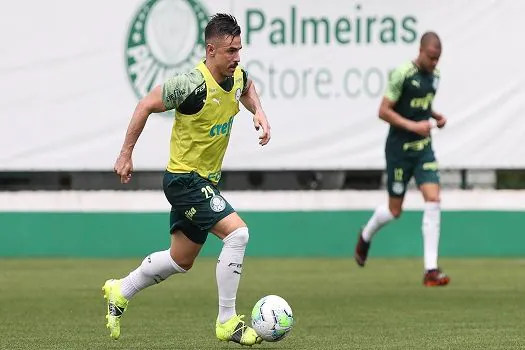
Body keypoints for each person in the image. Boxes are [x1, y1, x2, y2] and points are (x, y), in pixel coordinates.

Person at [103, 14, 270, 345]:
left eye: (239, 49)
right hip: (184, 180)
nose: (236, 57)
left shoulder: (236, 76)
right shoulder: (190, 84)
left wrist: (259, 112)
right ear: (210, 50)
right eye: (230, 51)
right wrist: (125, 154)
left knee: (181, 260)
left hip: (204, 182)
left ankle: (121, 289)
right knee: (238, 234)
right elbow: (146, 104)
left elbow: (247, 87)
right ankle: (227, 321)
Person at [354, 31, 450, 287]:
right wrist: (412, 126)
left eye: (438, 58)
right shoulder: (402, 74)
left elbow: (421, 105)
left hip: (423, 150)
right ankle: (365, 235)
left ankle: (431, 269)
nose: (434, 63)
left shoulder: (435, 77)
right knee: (394, 210)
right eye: (431, 57)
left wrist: (436, 116)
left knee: (434, 198)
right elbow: (384, 111)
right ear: (421, 50)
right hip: (399, 150)